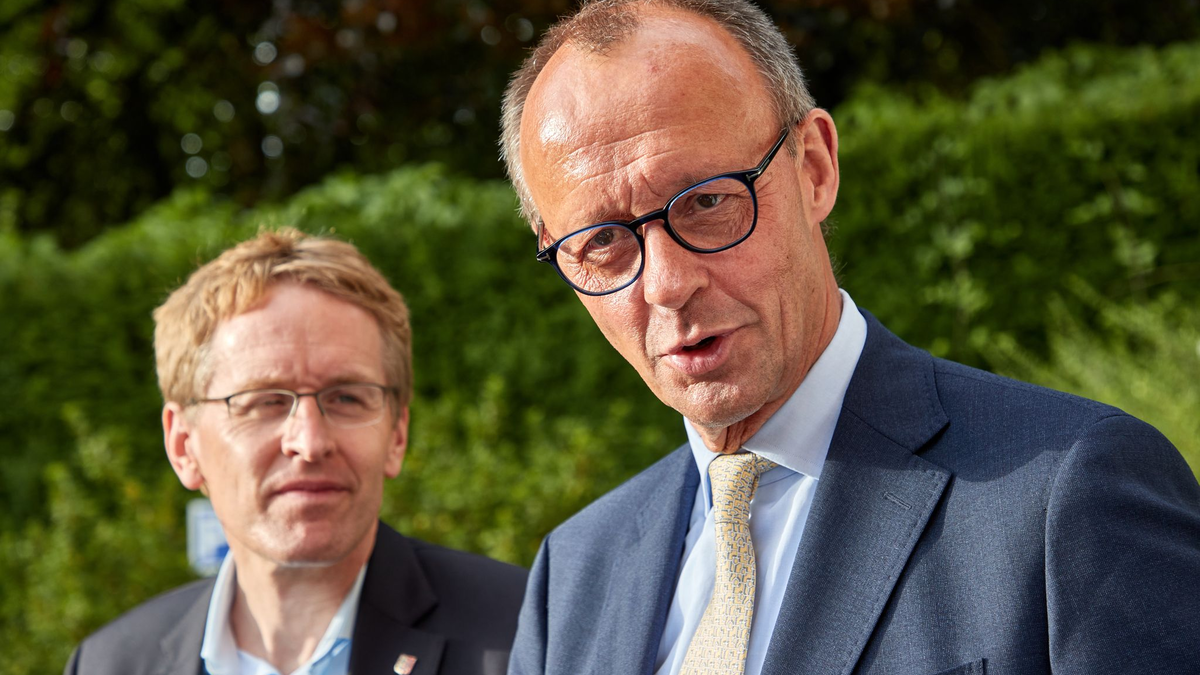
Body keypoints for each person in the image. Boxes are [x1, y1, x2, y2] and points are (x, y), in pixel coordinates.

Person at [499, 1, 1200, 673]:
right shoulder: (574, 572)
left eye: (707, 201)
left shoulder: (1067, 493)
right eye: (602, 242)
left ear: (814, 168)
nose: (665, 284)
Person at [65, 229, 527, 675]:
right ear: (183, 445)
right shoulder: (110, 664)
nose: (309, 443)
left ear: (397, 434)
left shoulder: (524, 631)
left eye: (347, 397)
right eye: (265, 402)